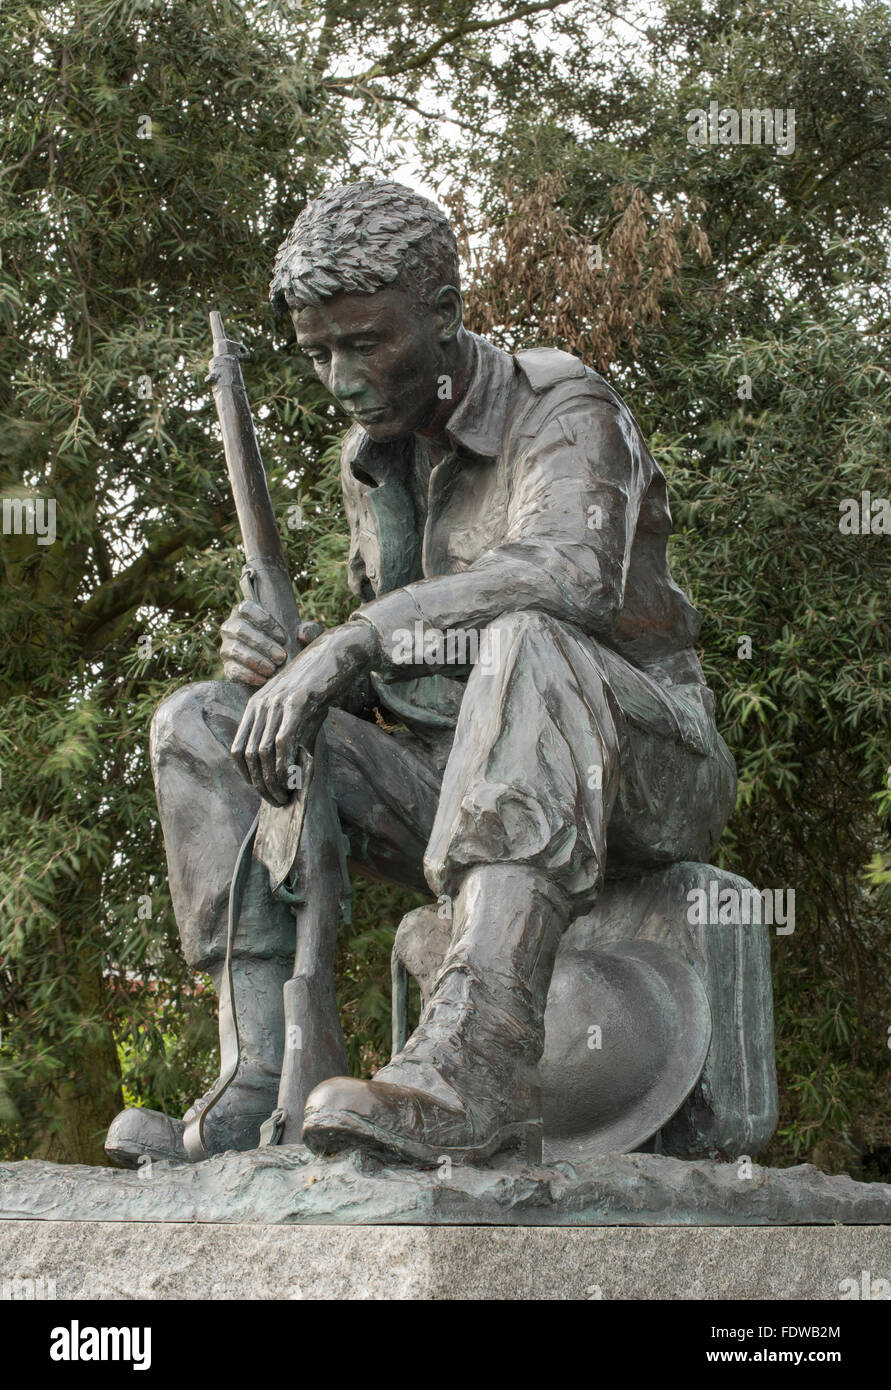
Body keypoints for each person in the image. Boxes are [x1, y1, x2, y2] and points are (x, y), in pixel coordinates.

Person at [106, 180, 736, 1169]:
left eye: (365, 343)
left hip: (642, 766)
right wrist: (300, 666)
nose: (342, 377)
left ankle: (478, 1065)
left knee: (531, 645)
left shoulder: (562, 404)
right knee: (205, 720)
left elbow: (565, 575)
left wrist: (349, 642)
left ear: (443, 313)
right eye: (319, 353)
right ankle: (256, 1077)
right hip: (464, 779)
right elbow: (417, 671)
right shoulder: (376, 460)